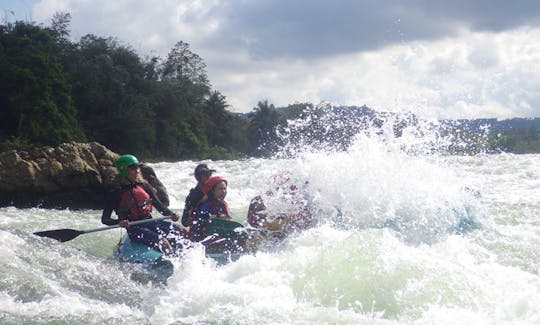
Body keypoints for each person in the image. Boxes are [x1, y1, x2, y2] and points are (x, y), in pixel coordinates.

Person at [101, 154, 184, 253]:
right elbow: (105, 219)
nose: (137, 171)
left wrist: (171, 214)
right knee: (163, 242)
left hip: (151, 222)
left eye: (137, 168)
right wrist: (119, 222)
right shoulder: (116, 192)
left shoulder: (144, 186)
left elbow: (160, 206)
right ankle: (173, 263)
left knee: (182, 230)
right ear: (123, 170)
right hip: (134, 228)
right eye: (133, 168)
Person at [188, 175, 231, 242]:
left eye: (225, 189)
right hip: (201, 238)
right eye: (220, 189)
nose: (223, 191)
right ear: (212, 191)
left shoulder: (223, 205)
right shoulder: (205, 206)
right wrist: (215, 218)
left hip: (216, 236)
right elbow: (199, 226)